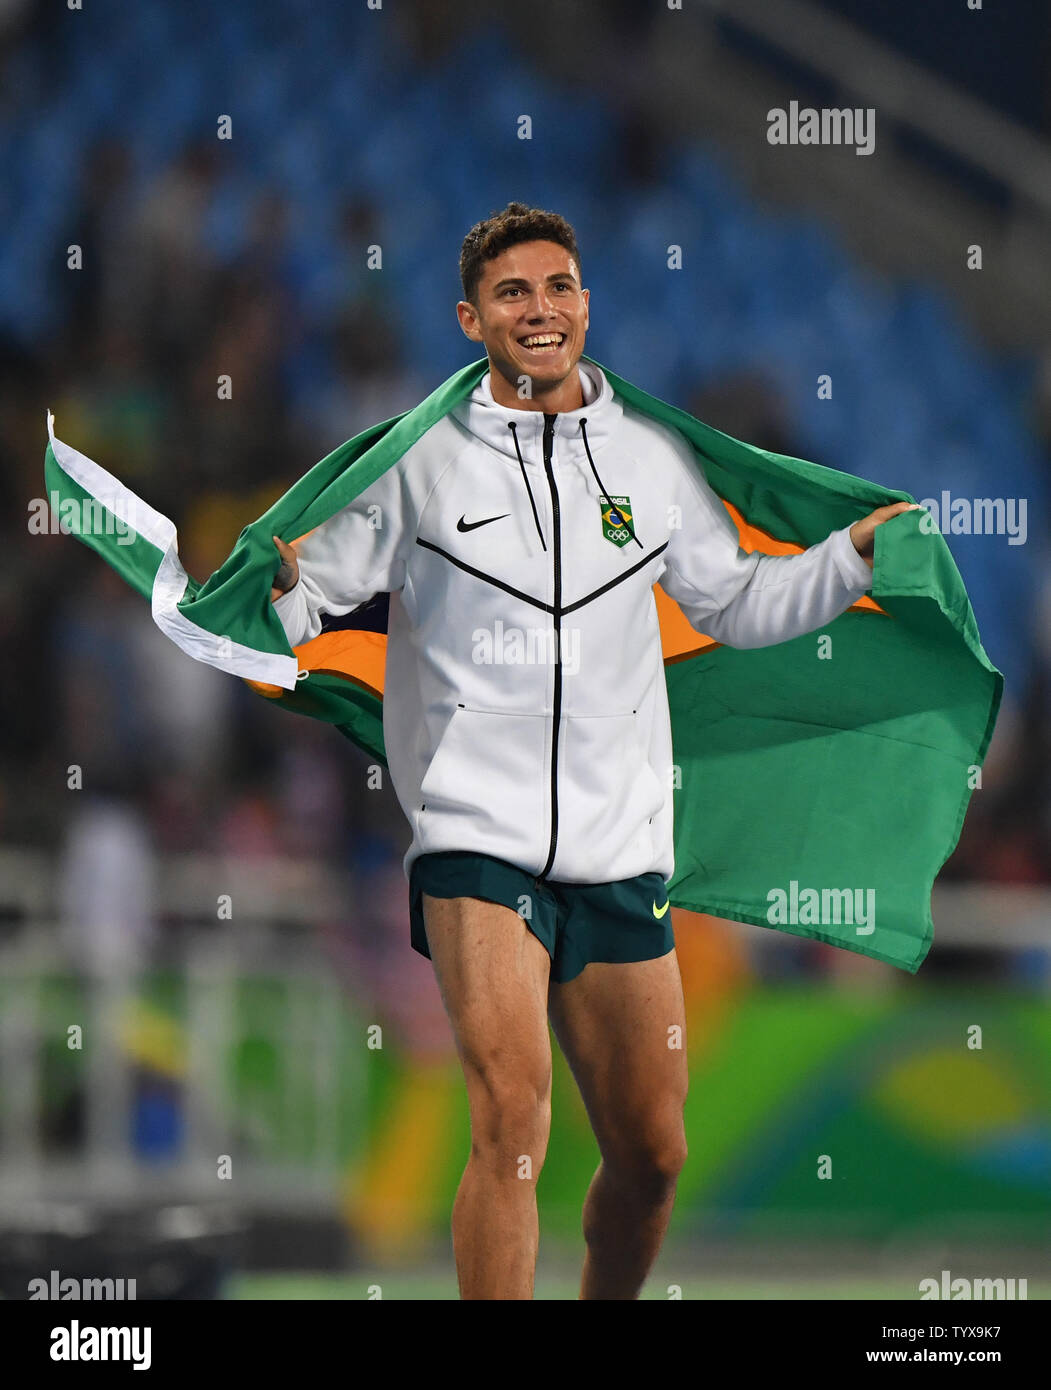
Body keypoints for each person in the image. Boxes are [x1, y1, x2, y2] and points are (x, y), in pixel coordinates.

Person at [267, 202, 916, 1300]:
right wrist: (275, 586)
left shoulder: (650, 459)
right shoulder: (416, 463)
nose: (541, 309)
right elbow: (306, 598)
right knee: (512, 1118)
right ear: (471, 317)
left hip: (621, 846)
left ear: (585, 304)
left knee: (652, 1154)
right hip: (477, 836)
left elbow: (739, 601)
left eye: (559, 286)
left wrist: (852, 556)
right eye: (513, 292)